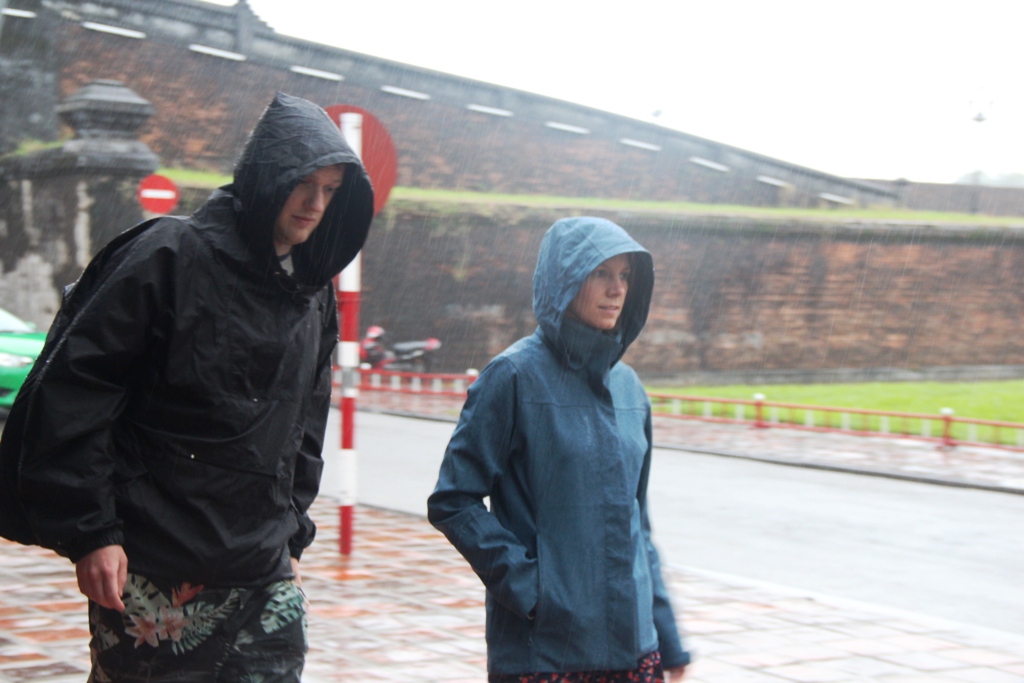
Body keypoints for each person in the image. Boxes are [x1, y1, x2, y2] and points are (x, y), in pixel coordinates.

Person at [0, 92, 374, 682]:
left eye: (330, 190)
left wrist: (290, 538)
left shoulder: (311, 291)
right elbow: (77, 392)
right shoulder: (165, 257)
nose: (315, 204)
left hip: (262, 569)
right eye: (303, 184)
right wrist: (91, 532)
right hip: (153, 561)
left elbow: (304, 424)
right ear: (265, 179)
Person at [428, 217, 690, 682]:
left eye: (625, 275)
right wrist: (534, 590)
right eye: (600, 273)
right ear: (564, 279)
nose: (616, 289)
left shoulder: (630, 390)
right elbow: (454, 499)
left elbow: (638, 524)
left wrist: (666, 635)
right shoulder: (512, 377)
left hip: (635, 651)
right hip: (545, 654)